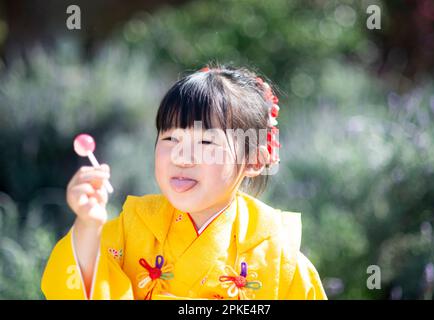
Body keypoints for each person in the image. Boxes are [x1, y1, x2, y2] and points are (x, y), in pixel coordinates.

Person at [41, 64, 327, 300]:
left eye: (205, 141)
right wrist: (88, 225)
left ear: (254, 160)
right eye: (170, 138)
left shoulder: (278, 255)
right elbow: (76, 290)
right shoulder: (132, 228)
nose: (181, 157)